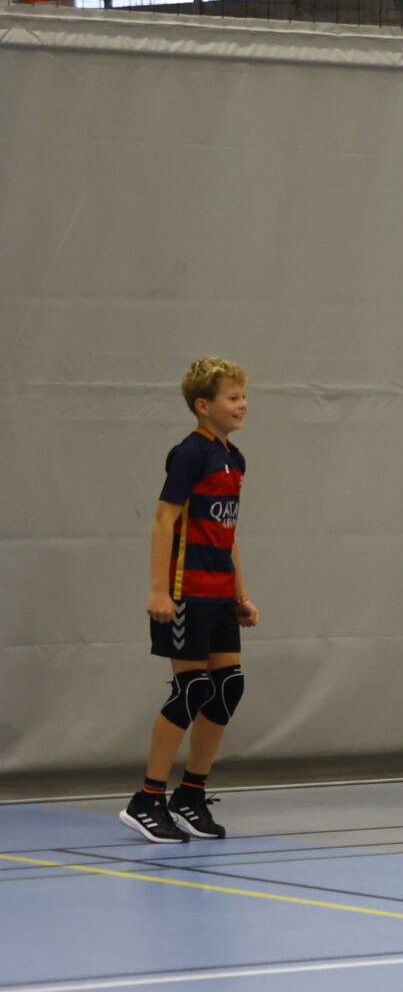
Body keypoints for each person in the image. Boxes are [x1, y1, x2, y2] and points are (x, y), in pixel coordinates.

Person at [124, 359, 260, 844]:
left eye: (243, 396)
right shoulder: (189, 454)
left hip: (219, 591)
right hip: (187, 591)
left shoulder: (234, 459)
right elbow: (164, 521)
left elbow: (227, 532)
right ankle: (148, 798)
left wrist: (240, 593)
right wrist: (159, 589)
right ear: (203, 406)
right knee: (191, 689)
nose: (242, 405)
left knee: (228, 687)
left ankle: (191, 795)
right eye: (232, 397)